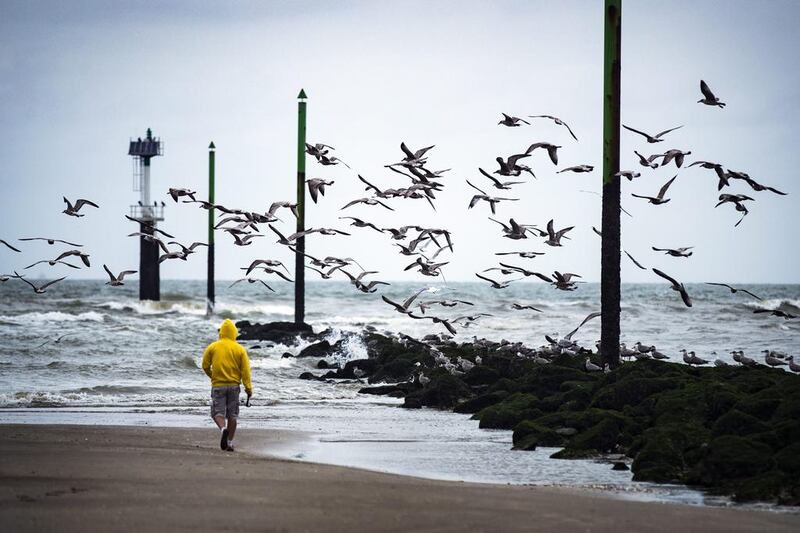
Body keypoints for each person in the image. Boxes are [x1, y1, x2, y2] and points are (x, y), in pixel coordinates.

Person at [202, 319, 252, 451]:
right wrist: (248, 388)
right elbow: (245, 371)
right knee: (232, 415)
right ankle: (229, 442)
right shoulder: (240, 349)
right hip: (234, 387)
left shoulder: (212, 347)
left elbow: (205, 365)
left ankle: (223, 429)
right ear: (234, 333)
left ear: (221, 333)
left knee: (217, 413)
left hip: (218, 386)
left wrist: (213, 376)